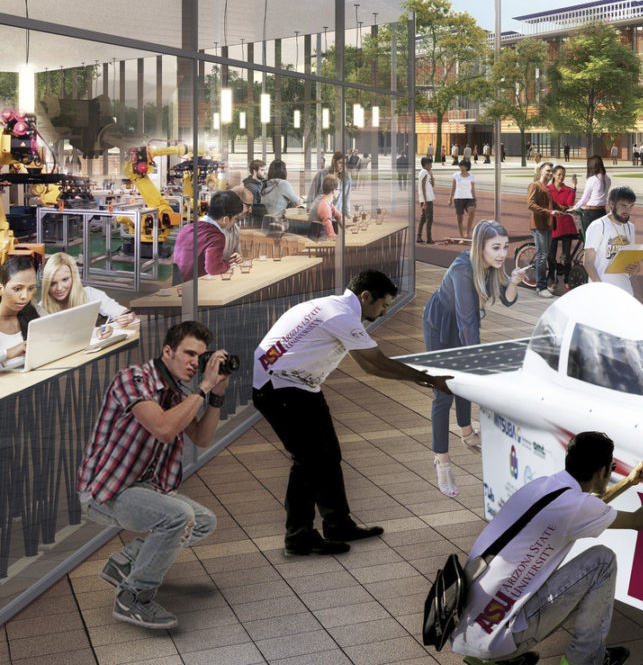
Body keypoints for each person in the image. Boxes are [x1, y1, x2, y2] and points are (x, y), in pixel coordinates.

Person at [252, 270, 450, 556]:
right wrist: (428, 378)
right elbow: (375, 363)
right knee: (308, 460)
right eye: (383, 305)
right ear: (365, 296)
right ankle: (299, 536)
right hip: (277, 386)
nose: (383, 312)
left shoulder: (330, 306)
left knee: (328, 454)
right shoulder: (340, 316)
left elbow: (370, 365)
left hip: (296, 382)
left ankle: (338, 524)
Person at [449, 431, 643, 665]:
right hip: (496, 637)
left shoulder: (543, 486)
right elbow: (638, 521)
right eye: (612, 468)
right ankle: (584, 660)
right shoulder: (575, 506)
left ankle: (487, 660)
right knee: (602, 561)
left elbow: (586, 508)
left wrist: (629, 482)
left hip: (467, 627)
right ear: (603, 472)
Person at [77, 320, 227, 630]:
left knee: (203, 521)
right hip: (104, 491)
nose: (195, 363)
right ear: (167, 352)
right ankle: (132, 597)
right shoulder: (134, 379)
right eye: (188, 354)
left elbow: (201, 438)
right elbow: (162, 428)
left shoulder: (175, 394)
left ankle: (126, 562)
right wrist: (203, 387)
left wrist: (216, 395)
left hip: (138, 487)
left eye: (200, 357)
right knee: (179, 517)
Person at [422, 221, 520, 497]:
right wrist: (476, 362)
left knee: (462, 381)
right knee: (444, 393)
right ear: (481, 247)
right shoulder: (463, 269)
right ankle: (441, 461)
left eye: (505, 247)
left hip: (463, 323)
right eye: (496, 248)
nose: (502, 254)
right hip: (440, 326)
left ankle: (466, 431)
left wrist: (513, 281)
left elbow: (507, 299)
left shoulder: (491, 265)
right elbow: (466, 323)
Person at [40, 251, 133, 324]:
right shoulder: (40, 309)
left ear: (74, 278)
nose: (59, 288)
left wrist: (127, 317)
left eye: (65, 279)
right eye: (53, 283)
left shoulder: (90, 294)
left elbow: (123, 312)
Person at [585, 186, 643, 293]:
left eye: (631, 206)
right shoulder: (598, 226)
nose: (627, 210)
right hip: (601, 291)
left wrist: (636, 268)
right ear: (612, 203)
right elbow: (588, 262)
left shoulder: (630, 227)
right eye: (623, 206)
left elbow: (634, 264)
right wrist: (600, 287)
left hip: (625, 290)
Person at [172, 191, 243, 279]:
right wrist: (228, 265)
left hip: (178, 286)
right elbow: (213, 269)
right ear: (226, 219)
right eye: (235, 219)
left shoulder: (186, 229)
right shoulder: (216, 236)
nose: (235, 222)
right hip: (198, 287)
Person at [526, 162, 560, 298]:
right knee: (542, 255)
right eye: (547, 171)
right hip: (538, 225)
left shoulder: (547, 188)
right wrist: (549, 212)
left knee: (545, 255)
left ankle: (543, 284)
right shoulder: (534, 185)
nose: (550, 174)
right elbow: (530, 204)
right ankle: (540, 287)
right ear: (541, 171)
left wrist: (567, 209)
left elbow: (553, 204)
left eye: (551, 171)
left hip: (548, 225)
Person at [0, 255, 40, 369]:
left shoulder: (33, 311)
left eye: (30, 288)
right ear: (1, 288)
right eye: (17, 289)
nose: (25, 296)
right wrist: (8, 353)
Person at [550, 166, 582, 291]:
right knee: (551, 256)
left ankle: (567, 280)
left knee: (567, 256)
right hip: (553, 224)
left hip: (566, 225)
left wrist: (574, 187)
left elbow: (569, 204)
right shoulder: (548, 189)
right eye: (558, 174)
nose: (561, 177)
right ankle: (554, 278)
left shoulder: (567, 189)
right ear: (553, 175)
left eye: (563, 175)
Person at [576, 156, 611, 238]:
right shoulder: (607, 179)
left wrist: (574, 208)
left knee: (589, 240)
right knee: (600, 239)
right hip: (602, 211)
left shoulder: (592, 179)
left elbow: (584, 199)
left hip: (591, 213)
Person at [262, 159, 303, 225]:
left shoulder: (265, 183)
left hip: (265, 222)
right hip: (278, 222)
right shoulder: (283, 184)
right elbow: (299, 202)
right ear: (284, 171)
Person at [449, 158, 477, 242]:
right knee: (460, 219)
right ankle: (461, 237)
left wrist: (475, 200)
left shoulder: (471, 177)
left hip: (469, 198)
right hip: (458, 198)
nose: (461, 167)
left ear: (467, 167)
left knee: (471, 212)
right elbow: (453, 187)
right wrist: (450, 198)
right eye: (460, 165)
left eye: (463, 165)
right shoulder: (456, 175)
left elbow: (473, 189)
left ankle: (468, 232)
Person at [313, 174, 341, 240]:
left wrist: (346, 231)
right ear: (334, 191)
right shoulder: (325, 207)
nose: (339, 192)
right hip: (322, 241)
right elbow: (331, 235)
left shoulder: (325, 200)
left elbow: (338, 215)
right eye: (338, 189)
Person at [416, 156, 437, 245]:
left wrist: (431, 175)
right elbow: (423, 187)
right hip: (427, 199)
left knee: (423, 219)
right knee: (429, 219)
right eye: (430, 163)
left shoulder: (424, 172)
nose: (431, 165)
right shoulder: (424, 172)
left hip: (424, 198)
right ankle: (429, 239)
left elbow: (432, 185)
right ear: (426, 164)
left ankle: (419, 237)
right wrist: (425, 201)